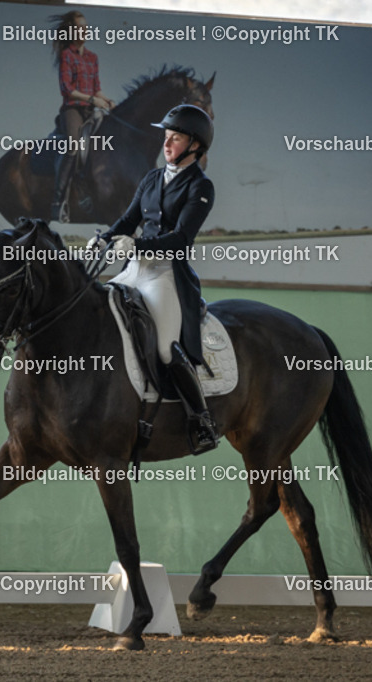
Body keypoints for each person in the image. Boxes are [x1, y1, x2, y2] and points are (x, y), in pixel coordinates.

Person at [90, 104, 218, 454]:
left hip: (165, 274)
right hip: (134, 270)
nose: (167, 143)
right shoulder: (151, 178)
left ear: (196, 146)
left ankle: (202, 420)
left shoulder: (201, 187)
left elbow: (181, 238)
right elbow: (127, 220)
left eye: (175, 138)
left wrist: (139, 244)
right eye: (166, 136)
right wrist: (105, 237)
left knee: (165, 347)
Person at [50, 11, 114, 223]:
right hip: (72, 110)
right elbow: (66, 89)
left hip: (90, 109)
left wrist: (107, 100)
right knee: (73, 146)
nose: (84, 31)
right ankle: (58, 202)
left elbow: (97, 89)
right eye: (80, 27)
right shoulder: (67, 55)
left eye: (86, 27)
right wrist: (91, 100)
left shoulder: (92, 57)